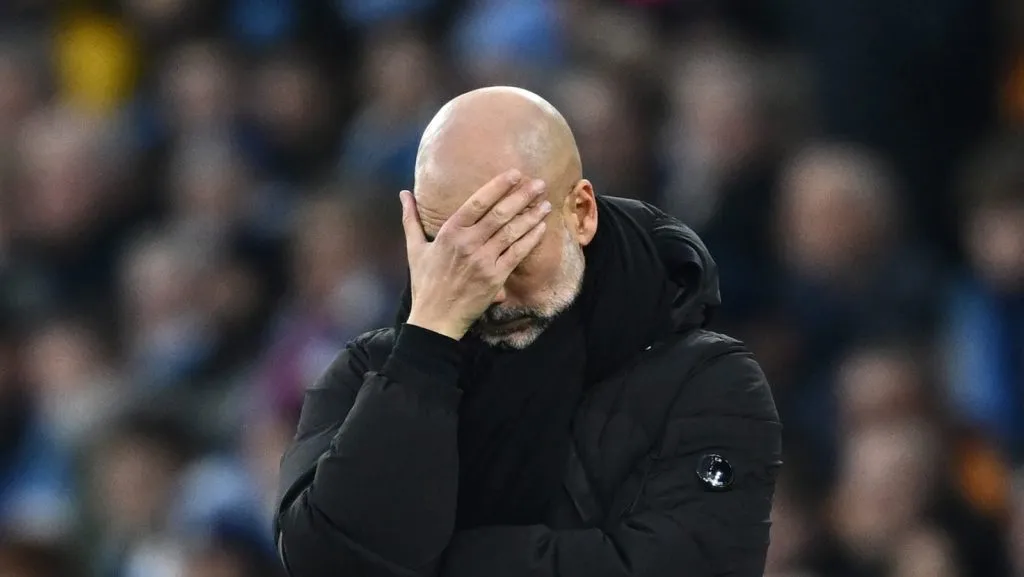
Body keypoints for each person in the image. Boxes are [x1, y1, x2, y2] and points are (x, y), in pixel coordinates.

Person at [274, 86, 782, 577]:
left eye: (509, 241)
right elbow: (329, 560)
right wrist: (427, 343)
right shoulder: (371, 371)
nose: (487, 289)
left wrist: (435, 563)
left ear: (580, 213)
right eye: (452, 251)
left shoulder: (709, 382)